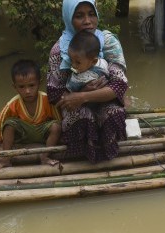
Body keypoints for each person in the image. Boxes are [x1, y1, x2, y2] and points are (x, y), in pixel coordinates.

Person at [47, 0, 128, 163]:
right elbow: (54, 92)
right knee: (82, 115)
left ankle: (108, 152)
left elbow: (119, 85)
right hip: (73, 104)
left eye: (91, 14)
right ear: (69, 18)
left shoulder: (108, 42)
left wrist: (84, 96)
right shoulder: (59, 49)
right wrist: (79, 94)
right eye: (79, 16)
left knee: (113, 113)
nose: (87, 21)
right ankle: (83, 154)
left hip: (105, 100)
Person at [0, 59, 62, 171]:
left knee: (56, 126)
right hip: (23, 133)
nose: (27, 91)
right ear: (15, 87)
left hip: (42, 131)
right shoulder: (13, 104)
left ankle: (45, 156)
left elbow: (58, 117)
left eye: (31, 85)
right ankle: (6, 159)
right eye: (22, 87)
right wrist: (0, 138)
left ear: (40, 82)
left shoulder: (47, 100)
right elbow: (1, 119)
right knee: (9, 124)